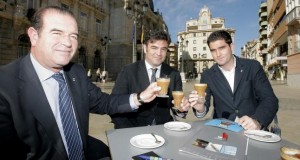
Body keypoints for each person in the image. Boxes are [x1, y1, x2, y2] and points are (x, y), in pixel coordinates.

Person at [0, 6, 160, 160]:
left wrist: (140, 97)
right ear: (34, 36)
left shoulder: (76, 72)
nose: (68, 43)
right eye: (57, 33)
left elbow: (104, 102)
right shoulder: (5, 86)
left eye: (73, 36)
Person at [189, 30, 278, 130]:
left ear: (231, 47)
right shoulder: (208, 75)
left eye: (221, 48)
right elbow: (203, 107)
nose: (218, 54)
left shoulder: (252, 67)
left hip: (252, 130)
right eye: (213, 50)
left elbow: (270, 100)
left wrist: (257, 121)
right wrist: (200, 108)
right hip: (223, 131)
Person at [110, 30, 190, 129]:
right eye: (154, 48)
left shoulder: (174, 74)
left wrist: (181, 109)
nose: (159, 53)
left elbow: (177, 106)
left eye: (163, 49)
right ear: (145, 48)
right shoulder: (128, 71)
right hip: (133, 129)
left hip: (164, 129)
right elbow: (114, 104)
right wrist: (127, 131)